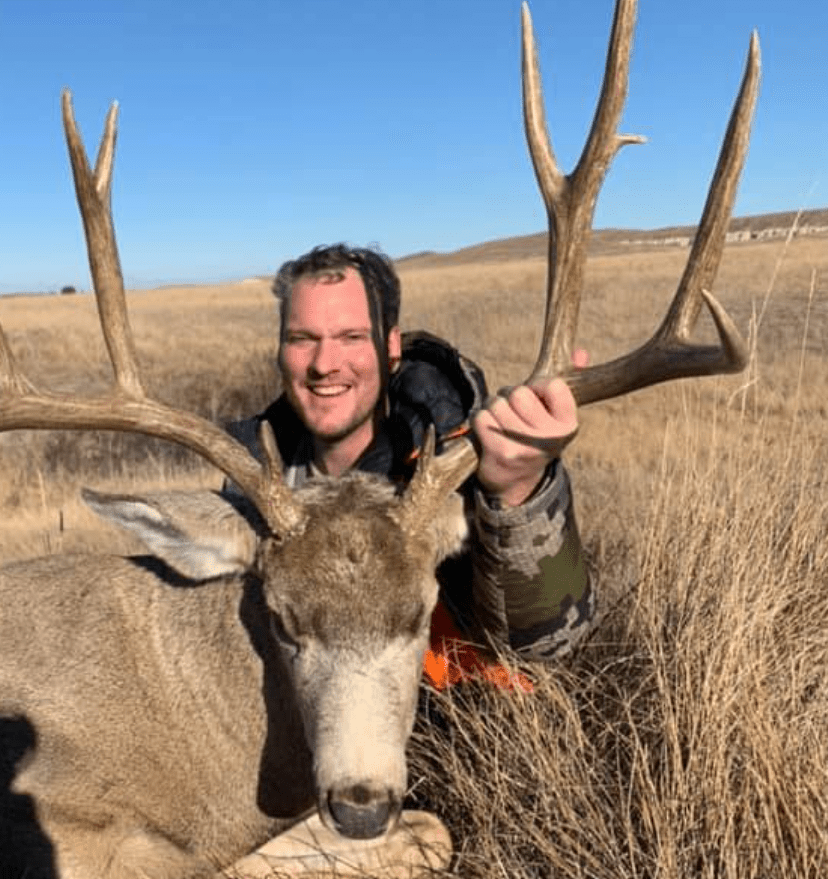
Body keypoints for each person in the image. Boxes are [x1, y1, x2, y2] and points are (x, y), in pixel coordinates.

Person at [227, 244, 594, 685]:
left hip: (447, 733)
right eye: (302, 339)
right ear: (280, 350)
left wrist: (519, 493)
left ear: (391, 347)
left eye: (352, 337)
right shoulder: (249, 480)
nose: (324, 364)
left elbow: (541, 649)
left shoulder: (458, 466)